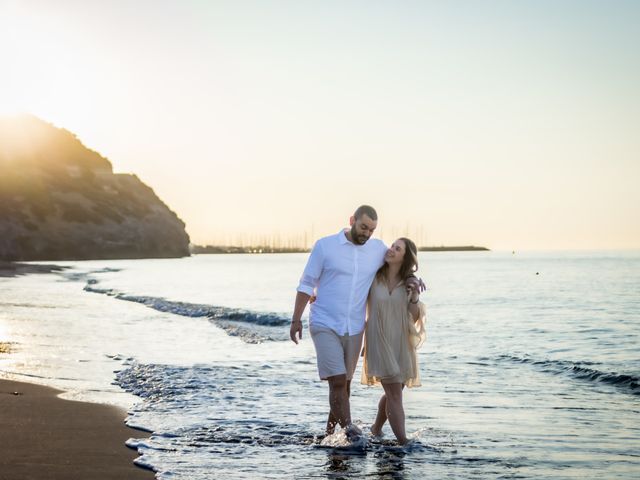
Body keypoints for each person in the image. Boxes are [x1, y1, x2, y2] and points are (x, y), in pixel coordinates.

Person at [290, 205, 388, 439]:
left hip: (355, 328)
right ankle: (351, 434)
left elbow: (398, 264)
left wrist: (413, 278)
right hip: (324, 323)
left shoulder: (377, 249)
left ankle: (331, 437)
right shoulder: (325, 246)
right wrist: (296, 319)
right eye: (363, 227)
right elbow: (306, 283)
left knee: (344, 386)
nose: (367, 233)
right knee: (336, 382)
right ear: (352, 220)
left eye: (372, 230)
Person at [361, 237, 426, 445]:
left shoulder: (409, 283)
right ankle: (403, 442)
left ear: (404, 258)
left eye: (397, 249)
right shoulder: (373, 276)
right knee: (395, 395)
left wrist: (414, 296)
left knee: (394, 393)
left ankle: (376, 428)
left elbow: (414, 317)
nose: (391, 250)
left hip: (400, 342)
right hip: (378, 339)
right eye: (392, 246)